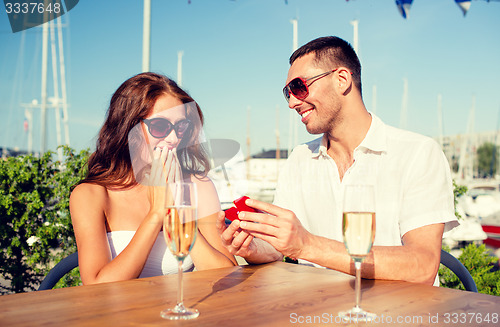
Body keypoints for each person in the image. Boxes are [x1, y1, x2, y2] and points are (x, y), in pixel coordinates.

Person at [216, 36, 458, 285]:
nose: (291, 102)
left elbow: (422, 266)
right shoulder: (300, 158)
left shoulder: (417, 153)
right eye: (287, 93)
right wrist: (252, 247)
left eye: (299, 87)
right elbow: (279, 248)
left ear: (342, 80)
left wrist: (307, 245)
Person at [70, 72, 236, 285]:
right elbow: (96, 287)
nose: (174, 138)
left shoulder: (197, 185)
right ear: (128, 127)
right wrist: (157, 213)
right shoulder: (92, 194)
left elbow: (227, 275)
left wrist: (178, 218)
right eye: (160, 126)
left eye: (181, 126)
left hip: (183, 311)